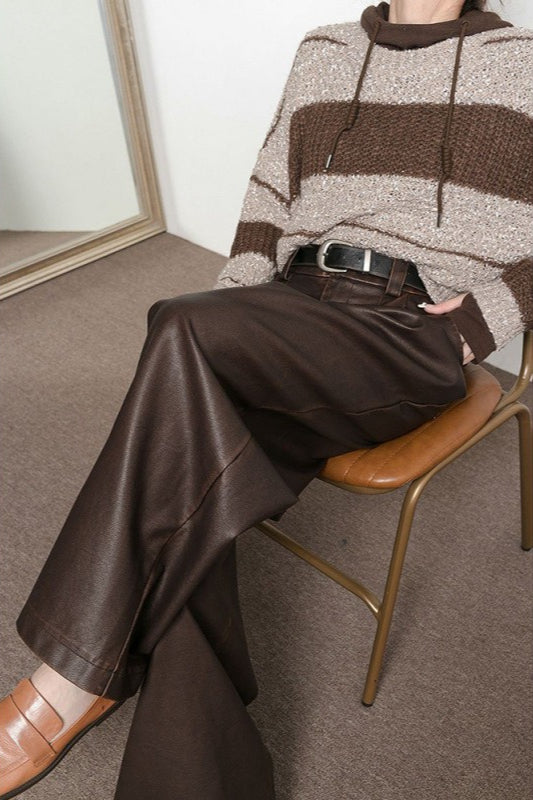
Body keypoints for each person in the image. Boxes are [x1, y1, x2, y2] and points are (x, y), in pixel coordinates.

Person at [1, 1, 531, 798]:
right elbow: (267, 193)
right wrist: (239, 311)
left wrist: (481, 323)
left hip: (409, 325)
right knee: (188, 430)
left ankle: (69, 681)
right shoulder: (324, 48)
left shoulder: (521, 64)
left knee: (178, 336)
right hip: (293, 301)